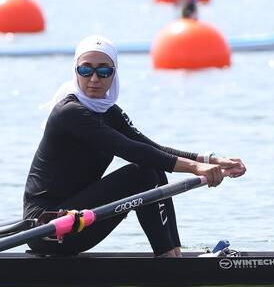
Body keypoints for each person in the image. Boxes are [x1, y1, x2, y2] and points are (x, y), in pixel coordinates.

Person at [23, 35, 246, 257]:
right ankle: (168, 260)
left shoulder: (109, 113)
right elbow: (129, 149)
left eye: (103, 71)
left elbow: (150, 148)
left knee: (153, 166)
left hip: (77, 220)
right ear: (75, 72)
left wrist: (210, 160)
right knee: (142, 173)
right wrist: (195, 169)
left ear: (114, 74)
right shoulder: (69, 113)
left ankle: (174, 252)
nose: (94, 78)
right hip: (47, 227)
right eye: (85, 70)